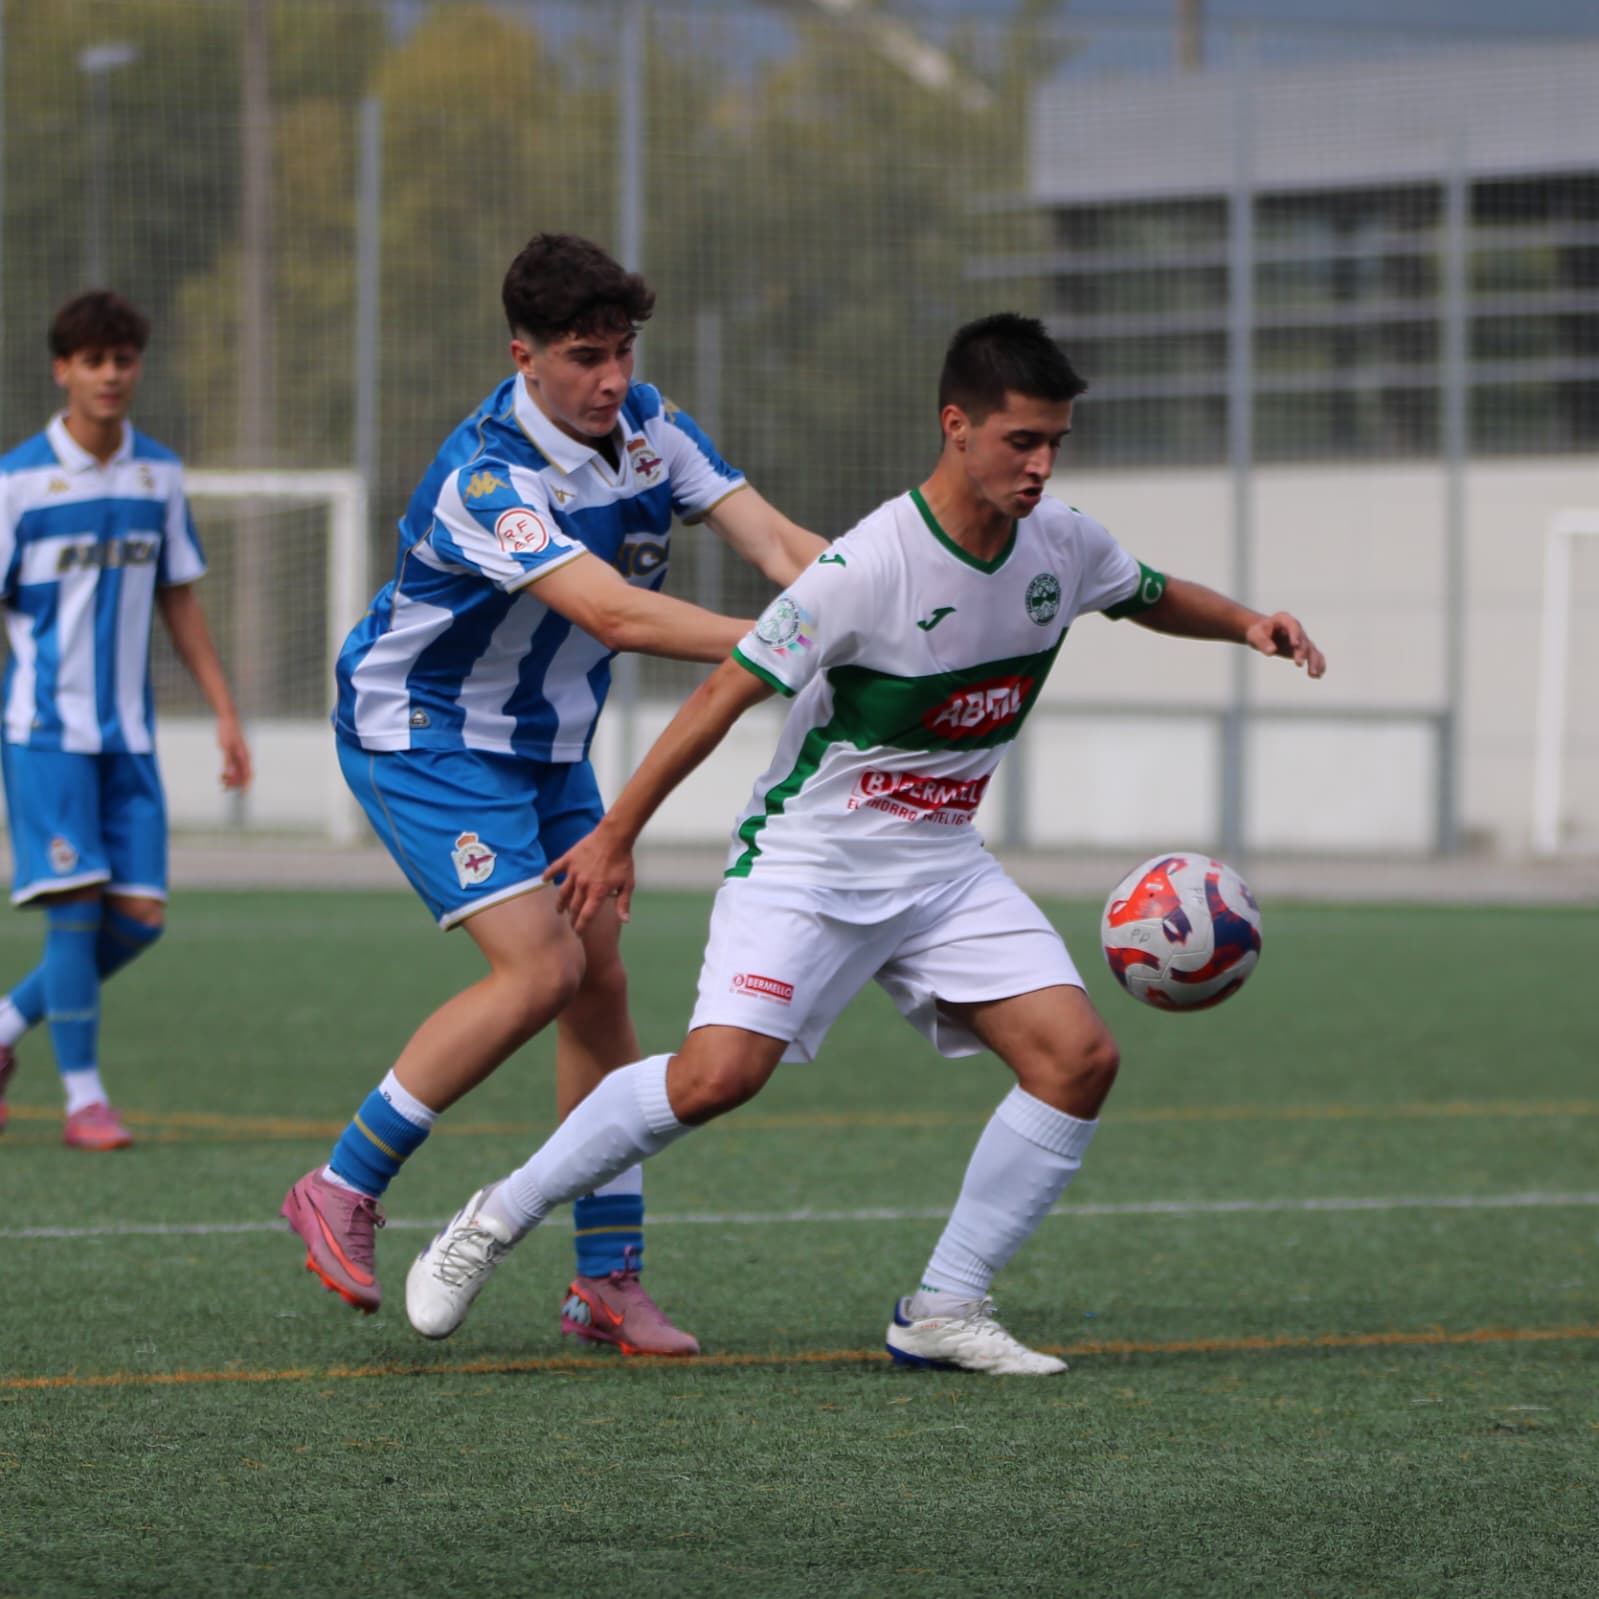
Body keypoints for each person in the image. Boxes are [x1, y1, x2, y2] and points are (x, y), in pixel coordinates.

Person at [401, 311, 1328, 1373]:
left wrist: (1249, 622)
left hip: (939, 864)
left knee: (1077, 1060)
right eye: (1021, 440)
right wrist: (617, 833)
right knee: (714, 1080)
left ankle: (943, 1307)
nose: (1040, 465)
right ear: (957, 427)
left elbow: (1149, 595)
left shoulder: (1064, 544)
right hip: (809, 862)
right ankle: (493, 1218)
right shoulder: (864, 567)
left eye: (1055, 444)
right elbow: (721, 694)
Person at [280, 233, 824, 1354]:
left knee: (601, 984)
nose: (612, 379)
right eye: (585, 356)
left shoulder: (649, 431)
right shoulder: (490, 476)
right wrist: (796, 644)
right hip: (421, 732)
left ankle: (604, 1278)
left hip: (543, 742)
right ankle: (340, 1184)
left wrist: (892, 594)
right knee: (542, 967)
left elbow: (776, 543)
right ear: (521, 355)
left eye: (622, 350)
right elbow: (616, 616)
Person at [0, 290, 251, 1151]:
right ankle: (84, 1101)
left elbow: (179, 601)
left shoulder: (159, 476)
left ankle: (1, 1031)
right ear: (62, 369)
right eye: (93, 360)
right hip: (45, 733)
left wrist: (224, 710)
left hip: (129, 737)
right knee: (74, 907)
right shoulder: (18, 480)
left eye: (124, 359)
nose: (111, 375)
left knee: (140, 918)